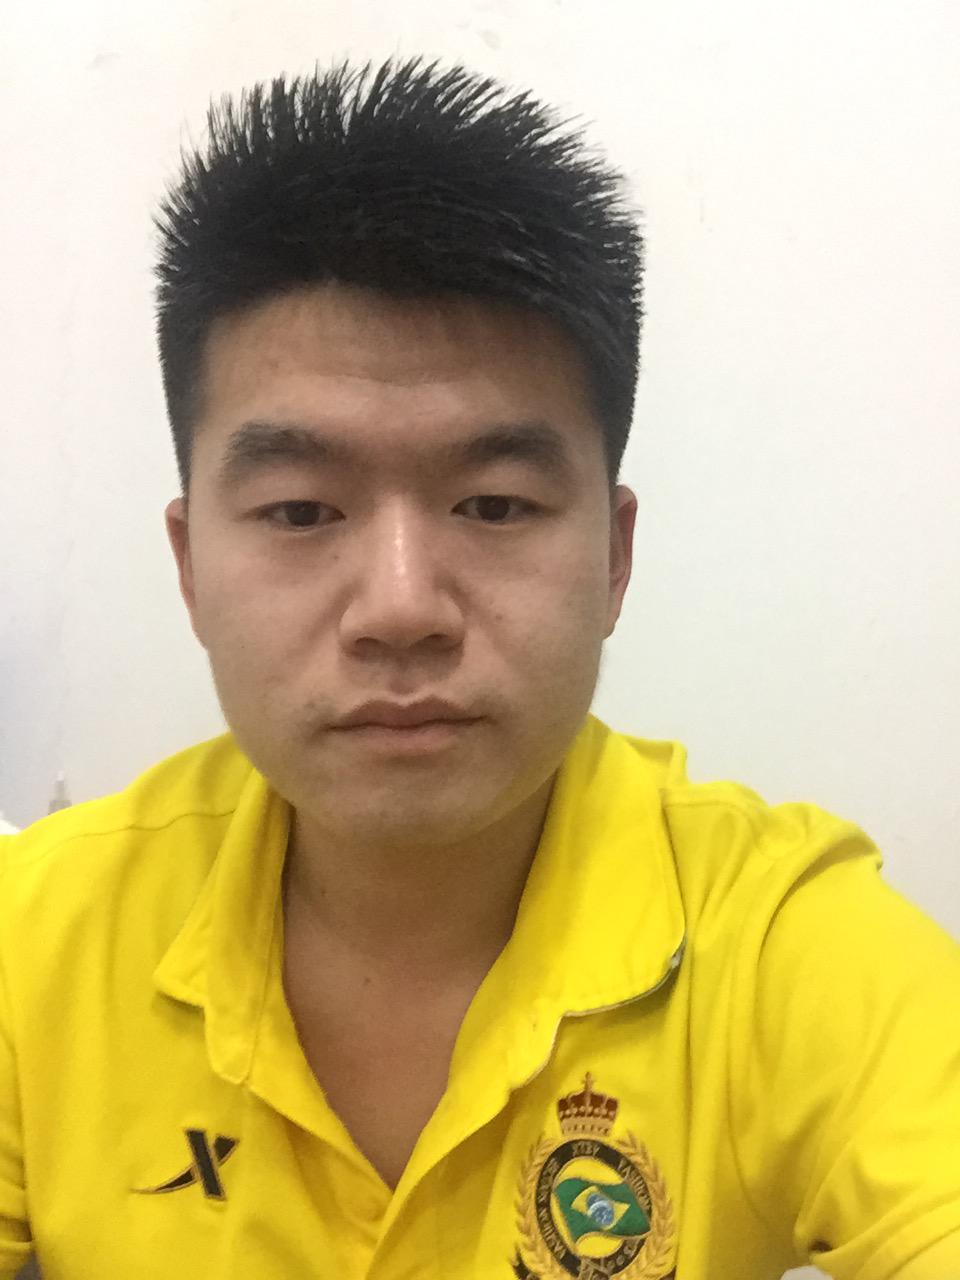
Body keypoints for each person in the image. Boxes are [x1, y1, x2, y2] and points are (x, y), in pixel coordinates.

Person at [1, 56, 957, 1280]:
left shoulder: (781, 942)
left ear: (614, 557)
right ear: (190, 565)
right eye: (301, 510)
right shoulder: (37, 938)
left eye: (494, 503)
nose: (401, 607)